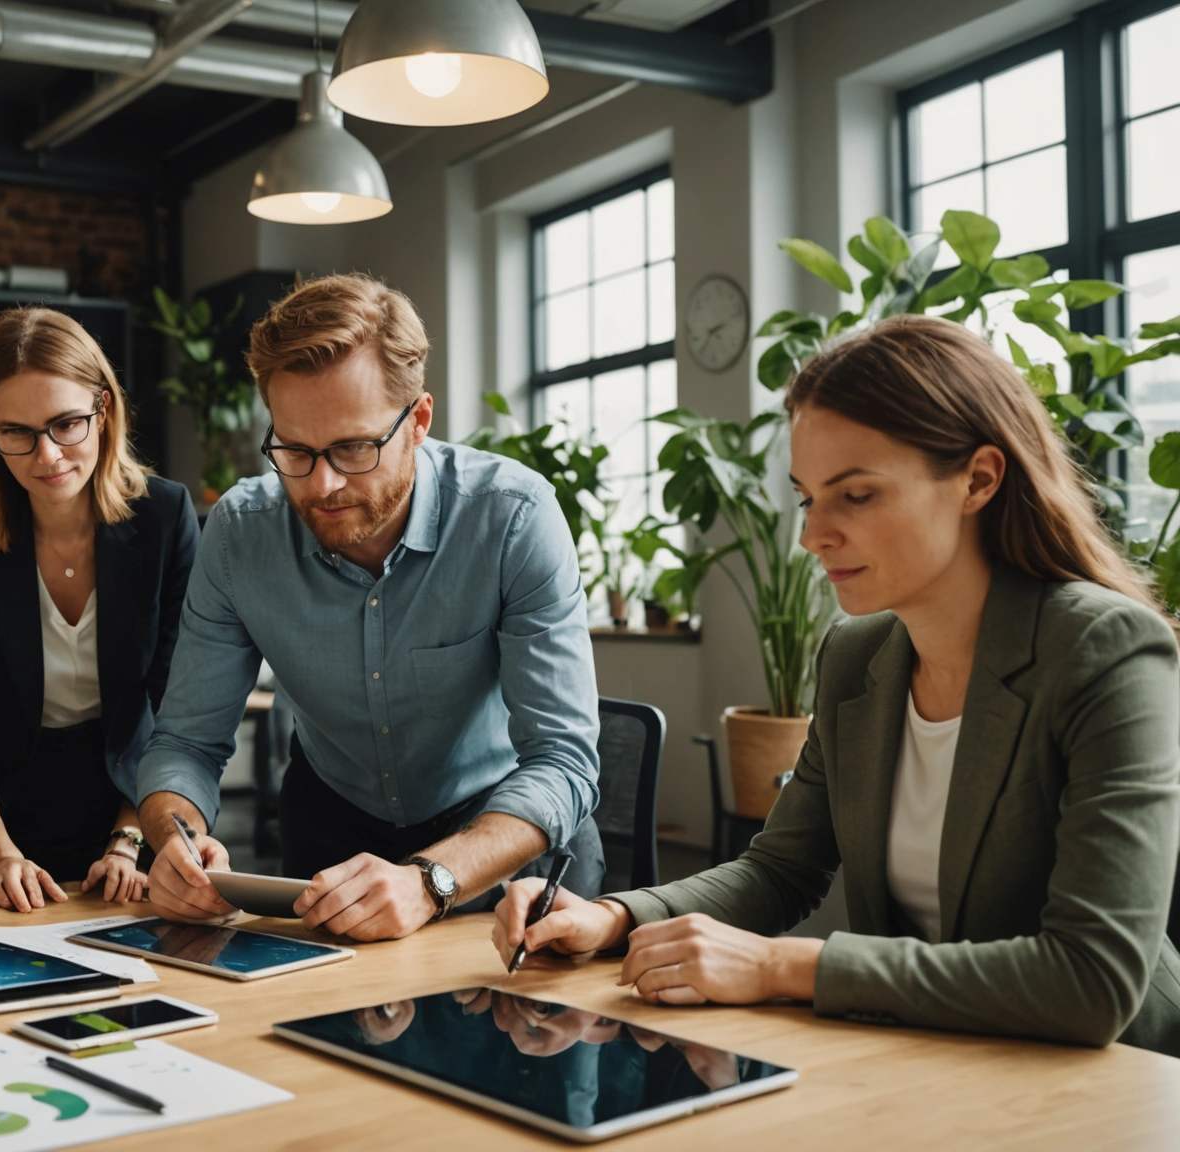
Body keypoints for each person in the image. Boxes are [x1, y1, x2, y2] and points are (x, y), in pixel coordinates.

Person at [494, 314, 1180, 1055]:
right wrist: (615, 917)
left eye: (856, 496)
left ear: (979, 479)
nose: (813, 535)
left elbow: (1091, 981)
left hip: (1113, 1079)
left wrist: (779, 965)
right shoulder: (858, 658)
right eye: (807, 497)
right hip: (931, 1060)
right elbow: (782, 869)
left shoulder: (1102, 649)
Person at [136, 273, 604, 942]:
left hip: (504, 846)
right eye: (294, 450)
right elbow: (186, 740)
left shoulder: (512, 518)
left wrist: (430, 880)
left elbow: (563, 758)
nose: (321, 485)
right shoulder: (240, 534)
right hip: (332, 832)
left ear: (417, 421)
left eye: (354, 448)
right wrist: (175, 838)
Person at [0, 307, 198, 911]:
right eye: (17, 432)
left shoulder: (165, 517)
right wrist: (0, 855)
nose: (46, 455)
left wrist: (128, 840)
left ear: (105, 410)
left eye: (66, 423)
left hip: (128, 800)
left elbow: (172, 712)